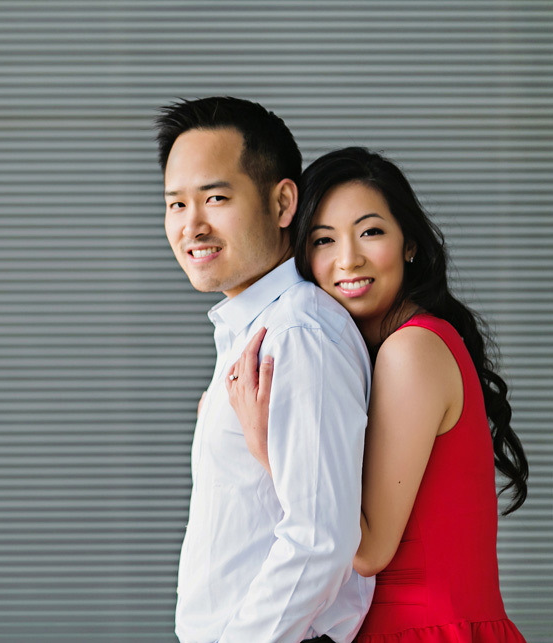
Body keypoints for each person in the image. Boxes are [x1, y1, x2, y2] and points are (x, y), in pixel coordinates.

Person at [226, 147, 529, 642]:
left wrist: (265, 445)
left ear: (409, 243)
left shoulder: (412, 349)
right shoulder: (382, 351)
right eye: (324, 240)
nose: (348, 259)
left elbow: (367, 551)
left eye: (370, 231)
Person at [156, 96, 375, 643]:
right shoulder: (252, 330)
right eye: (176, 204)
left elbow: (320, 539)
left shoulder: (298, 334)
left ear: (282, 203)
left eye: (215, 198)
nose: (192, 226)